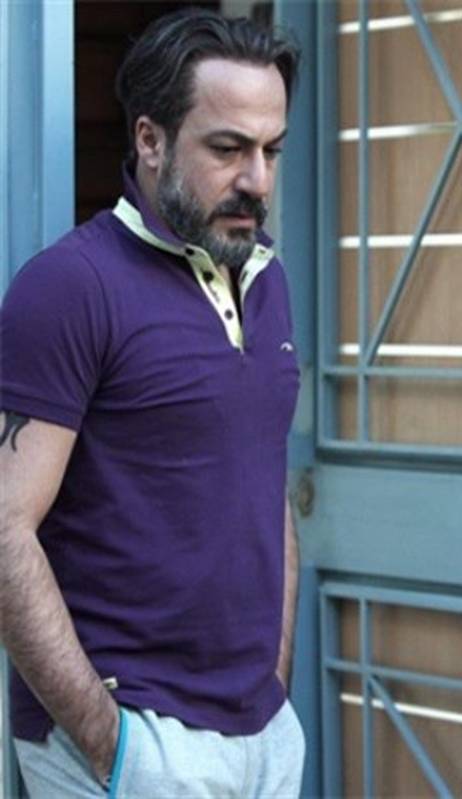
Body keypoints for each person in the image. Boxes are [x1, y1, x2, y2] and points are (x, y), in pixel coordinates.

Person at [0, 9, 304, 797]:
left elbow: (265, 483)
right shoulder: (72, 287)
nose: (258, 180)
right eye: (228, 148)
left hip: (262, 738)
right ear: (150, 140)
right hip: (136, 745)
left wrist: (274, 684)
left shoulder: (265, 278)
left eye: (271, 150)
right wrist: (110, 745)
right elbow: (4, 527)